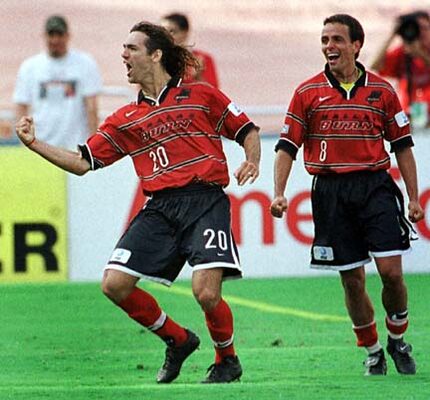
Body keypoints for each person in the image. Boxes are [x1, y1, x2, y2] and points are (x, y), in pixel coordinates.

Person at [16, 21, 261, 384]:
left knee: (206, 292)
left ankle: (227, 359)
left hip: (204, 201)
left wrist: (252, 159)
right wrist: (35, 144)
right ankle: (178, 340)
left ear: (156, 54)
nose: (123, 55)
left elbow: (247, 131)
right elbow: (83, 163)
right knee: (114, 284)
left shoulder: (202, 95)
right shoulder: (125, 119)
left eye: (131, 48)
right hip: (160, 207)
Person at [270, 14, 425, 376]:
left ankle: (398, 338)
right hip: (330, 193)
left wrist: (414, 197)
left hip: (375, 187)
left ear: (356, 45)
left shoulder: (382, 91)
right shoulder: (307, 93)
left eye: (337, 40)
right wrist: (278, 192)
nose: (329, 47)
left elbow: (402, 146)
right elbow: (286, 146)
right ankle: (372, 351)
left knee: (391, 273)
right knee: (352, 279)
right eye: (325, 40)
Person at [14, 15, 102, 150]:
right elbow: (21, 105)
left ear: (67, 36)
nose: (55, 40)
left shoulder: (85, 63)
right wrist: (24, 143)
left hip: (75, 145)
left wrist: (93, 144)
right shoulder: (30, 67)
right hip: (41, 145)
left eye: (59, 35)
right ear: (44, 36)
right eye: (51, 35)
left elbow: (91, 107)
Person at [371, 11, 430, 127]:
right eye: (418, 29)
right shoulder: (402, 53)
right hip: (409, 117)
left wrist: (420, 54)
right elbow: (376, 66)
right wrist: (393, 35)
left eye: (424, 28)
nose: (421, 33)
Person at [161, 12, 219, 88]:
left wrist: (198, 77)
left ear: (185, 32)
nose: (166, 36)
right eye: (162, 32)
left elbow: (213, 92)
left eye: (172, 31)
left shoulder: (203, 59)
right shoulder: (155, 58)